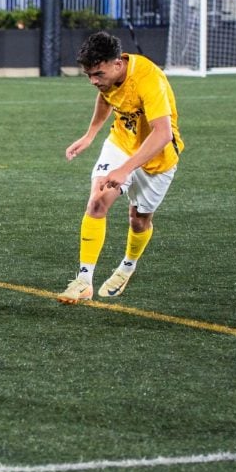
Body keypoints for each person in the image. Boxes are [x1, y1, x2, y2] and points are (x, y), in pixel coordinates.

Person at [58, 31, 184, 304]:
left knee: (138, 219)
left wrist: (125, 169)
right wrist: (90, 135)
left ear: (118, 64)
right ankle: (84, 281)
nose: (94, 81)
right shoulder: (109, 79)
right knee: (97, 203)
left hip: (158, 155)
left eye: (98, 74)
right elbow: (106, 97)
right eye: (89, 75)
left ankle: (127, 266)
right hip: (121, 143)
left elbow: (163, 134)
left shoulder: (148, 79)